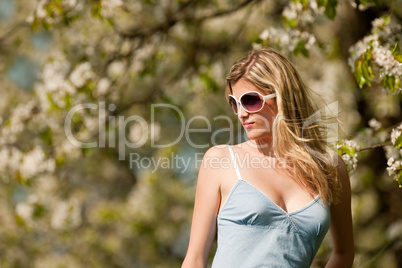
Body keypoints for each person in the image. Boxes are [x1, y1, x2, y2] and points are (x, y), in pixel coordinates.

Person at [181, 48, 354, 268]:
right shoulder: (221, 161)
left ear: (281, 96)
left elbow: (344, 253)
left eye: (250, 100)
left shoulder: (330, 168)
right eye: (235, 103)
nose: (242, 113)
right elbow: (194, 260)